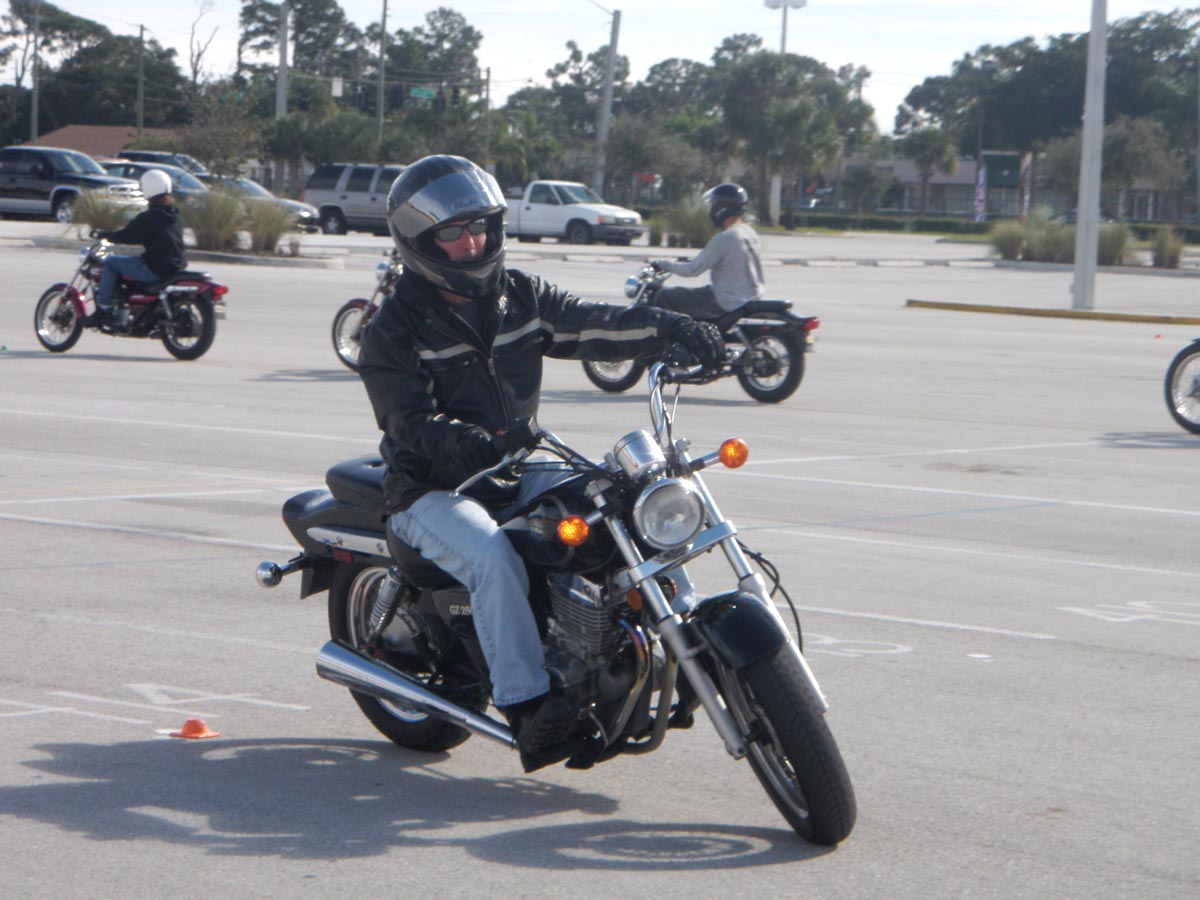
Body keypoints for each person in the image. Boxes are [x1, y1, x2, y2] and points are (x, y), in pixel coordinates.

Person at [357, 155, 723, 772]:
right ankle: (528, 706)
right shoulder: (393, 328)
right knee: (494, 558)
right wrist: (471, 441)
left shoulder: (519, 296)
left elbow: (596, 324)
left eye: (480, 226)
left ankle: (680, 638)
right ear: (419, 241)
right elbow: (406, 420)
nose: (472, 243)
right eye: (452, 232)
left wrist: (671, 327)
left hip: (515, 467)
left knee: (626, 501)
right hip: (431, 488)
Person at [85, 169, 187, 325]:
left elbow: (127, 236)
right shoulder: (176, 216)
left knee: (111, 262)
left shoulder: (148, 217)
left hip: (155, 268)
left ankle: (104, 309)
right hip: (176, 266)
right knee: (127, 260)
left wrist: (105, 235)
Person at [650, 182, 765, 320]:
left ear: (721, 207)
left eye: (713, 204)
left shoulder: (726, 237)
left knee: (664, 295)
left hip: (728, 301)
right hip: (752, 297)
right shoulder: (750, 233)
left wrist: (663, 264)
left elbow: (692, 270)